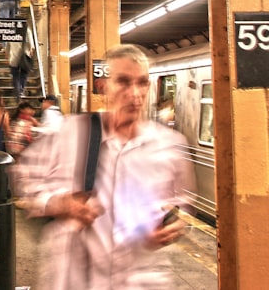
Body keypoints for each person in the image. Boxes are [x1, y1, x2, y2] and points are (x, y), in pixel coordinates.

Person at [16, 44, 193, 290]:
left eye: (142, 83)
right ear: (104, 87)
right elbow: (24, 179)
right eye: (123, 82)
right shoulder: (70, 133)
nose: (135, 93)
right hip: (76, 279)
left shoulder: (169, 145)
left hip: (141, 280)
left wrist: (172, 226)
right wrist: (57, 203)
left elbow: (181, 207)